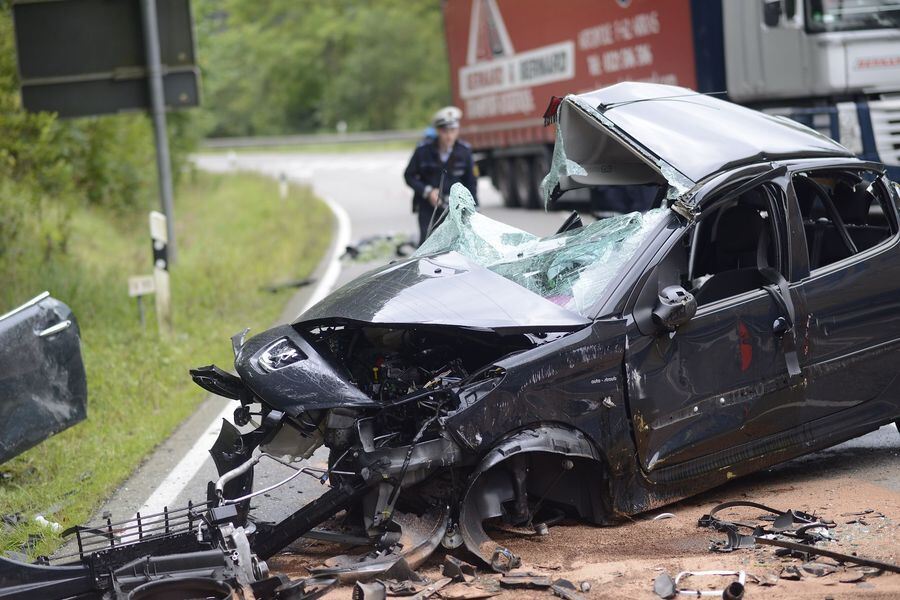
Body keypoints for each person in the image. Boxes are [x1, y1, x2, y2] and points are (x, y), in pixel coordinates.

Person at [404, 106, 478, 244]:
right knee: (427, 246)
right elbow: (409, 176)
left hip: (455, 209)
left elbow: (471, 182)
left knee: (456, 246)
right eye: (445, 131)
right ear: (438, 131)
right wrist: (427, 191)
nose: (449, 136)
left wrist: (473, 210)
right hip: (428, 208)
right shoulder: (423, 151)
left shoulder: (464, 152)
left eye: (453, 131)